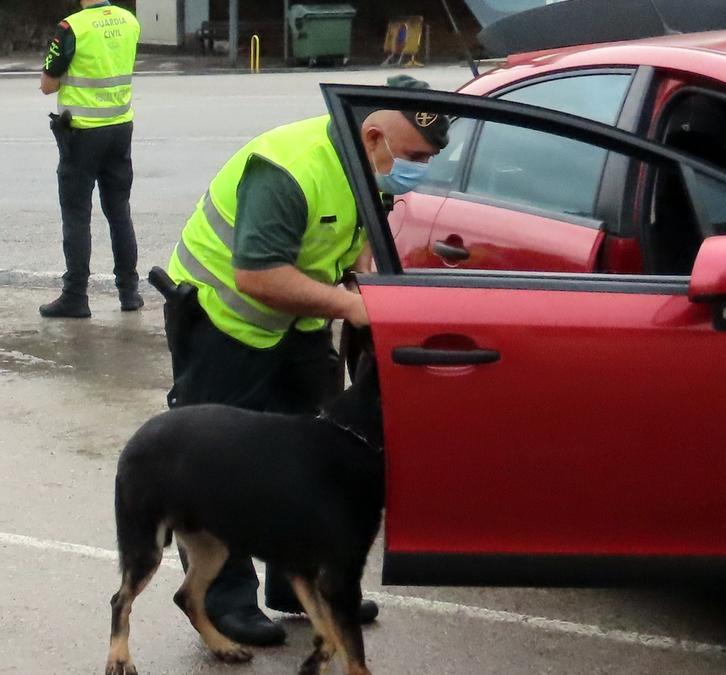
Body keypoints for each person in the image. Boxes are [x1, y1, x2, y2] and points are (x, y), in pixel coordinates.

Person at [161, 76, 448, 647]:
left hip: (298, 323)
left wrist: (378, 287)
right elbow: (257, 275)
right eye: (414, 157)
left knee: (313, 455)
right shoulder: (288, 168)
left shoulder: (368, 169)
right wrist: (353, 306)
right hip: (224, 321)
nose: (418, 168)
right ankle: (225, 603)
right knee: (224, 461)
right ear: (373, 137)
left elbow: (354, 243)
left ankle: (299, 583)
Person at [39, 0, 142, 318]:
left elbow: (48, 84)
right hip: (120, 127)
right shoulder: (129, 21)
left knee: (77, 215)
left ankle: (75, 296)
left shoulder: (72, 28)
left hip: (81, 134)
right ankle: (129, 293)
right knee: (119, 212)